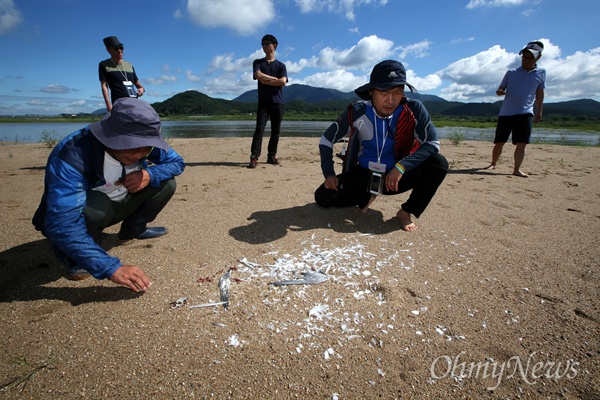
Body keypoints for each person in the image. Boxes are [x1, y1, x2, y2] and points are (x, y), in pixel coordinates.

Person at [32, 98, 185, 292]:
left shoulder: (147, 147)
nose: (140, 153)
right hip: (90, 209)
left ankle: (133, 229)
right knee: (95, 207)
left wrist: (149, 173)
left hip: (121, 198)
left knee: (167, 183)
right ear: (110, 136)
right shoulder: (73, 154)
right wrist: (110, 267)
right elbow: (62, 222)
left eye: (146, 147)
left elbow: (177, 162)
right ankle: (74, 255)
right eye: (132, 145)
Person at [314, 60, 448, 232]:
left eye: (397, 92)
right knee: (323, 197)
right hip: (364, 174)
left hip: (394, 177)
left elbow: (432, 143)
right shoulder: (357, 111)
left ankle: (406, 212)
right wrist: (329, 173)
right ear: (371, 91)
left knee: (439, 163)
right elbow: (326, 140)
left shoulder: (413, 109)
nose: (390, 100)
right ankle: (367, 195)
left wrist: (401, 167)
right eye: (383, 92)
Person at [485, 41, 546, 177]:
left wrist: (539, 111)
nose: (525, 60)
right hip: (506, 113)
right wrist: (500, 91)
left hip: (525, 113)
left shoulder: (541, 73)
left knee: (522, 143)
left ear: (538, 57)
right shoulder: (511, 73)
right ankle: (493, 163)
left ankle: (516, 169)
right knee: (500, 141)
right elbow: (499, 89)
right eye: (523, 58)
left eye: (529, 58)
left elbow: (540, 93)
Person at [248, 34, 288, 168]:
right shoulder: (257, 62)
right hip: (263, 103)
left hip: (278, 103)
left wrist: (267, 80)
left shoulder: (281, 65)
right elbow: (258, 75)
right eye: (263, 43)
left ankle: (271, 156)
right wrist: (275, 80)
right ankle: (254, 157)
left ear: (274, 46)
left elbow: (283, 82)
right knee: (259, 129)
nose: (264, 45)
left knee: (275, 132)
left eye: (267, 43)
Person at [99, 36, 145, 112]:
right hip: (119, 104)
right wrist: (108, 104)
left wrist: (141, 89)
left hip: (134, 103)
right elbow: (104, 85)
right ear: (108, 50)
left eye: (121, 47)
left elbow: (138, 84)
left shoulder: (129, 65)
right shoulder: (104, 65)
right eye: (116, 48)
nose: (119, 50)